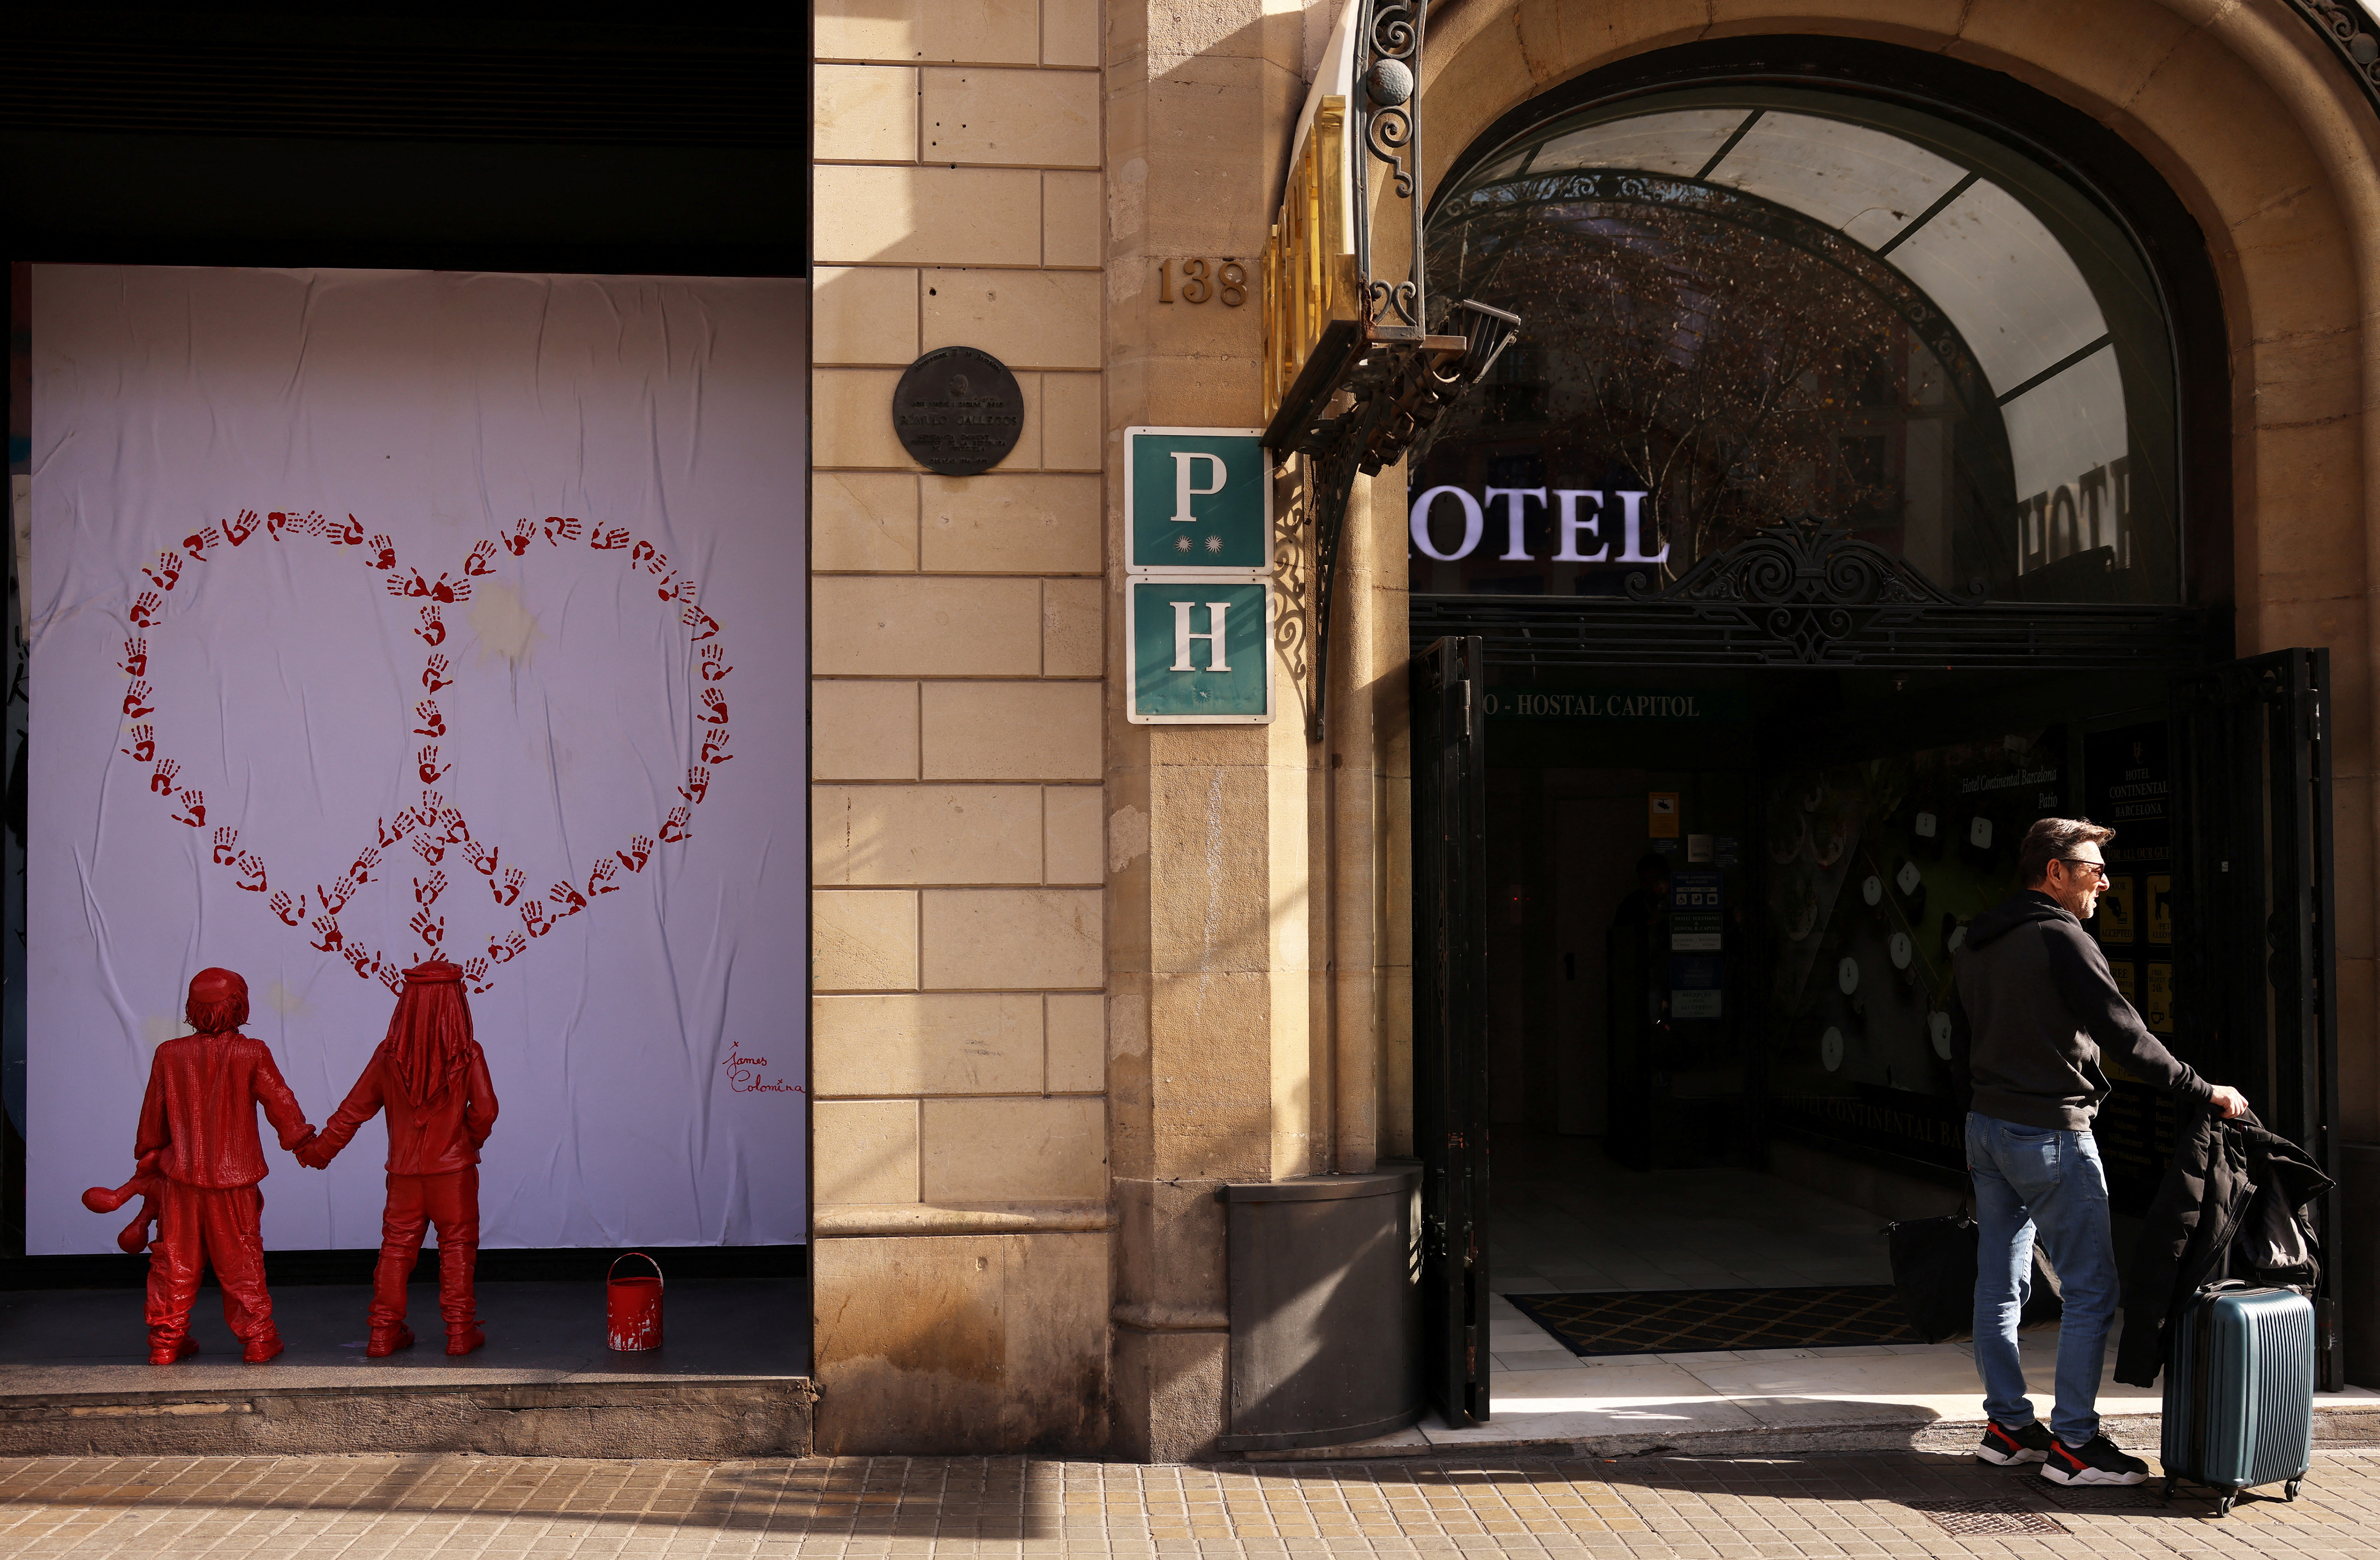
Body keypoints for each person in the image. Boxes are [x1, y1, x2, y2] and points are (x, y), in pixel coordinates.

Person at [1949, 818, 2249, 1486]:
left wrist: (1975, 1125)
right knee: (2091, 1289)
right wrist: (2201, 1089)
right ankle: (2076, 1444)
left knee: (2000, 1283)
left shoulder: (1975, 943)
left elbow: (1957, 1046)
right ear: (2054, 872)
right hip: (2051, 1133)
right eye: (2092, 868)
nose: (2105, 882)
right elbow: (2125, 1032)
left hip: (1988, 1128)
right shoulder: (2061, 938)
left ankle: (2008, 1426)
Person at [298, 960, 499, 1358]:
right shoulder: (468, 1053)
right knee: (457, 1247)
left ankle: (383, 1332)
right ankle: (460, 1331)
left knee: (396, 1249)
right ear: (456, 1001)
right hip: (453, 1173)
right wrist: (466, 1141)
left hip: (404, 1175)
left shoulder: (389, 1055)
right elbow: (487, 1110)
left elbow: (353, 1110)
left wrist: (320, 1152)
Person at [131, 967, 319, 1365]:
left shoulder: (170, 1053)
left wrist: (148, 1157)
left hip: (179, 1179)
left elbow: (152, 1117)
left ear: (192, 1010)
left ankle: (166, 1341)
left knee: (174, 1261)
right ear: (240, 1005)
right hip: (235, 1183)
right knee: (241, 1261)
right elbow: (280, 1103)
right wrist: (302, 1144)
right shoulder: (251, 1052)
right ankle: (258, 1340)